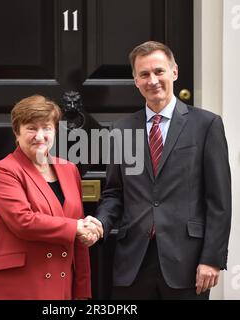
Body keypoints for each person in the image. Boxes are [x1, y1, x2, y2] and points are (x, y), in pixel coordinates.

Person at [88, 41, 231, 299]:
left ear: (174, 72)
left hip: (187, 263)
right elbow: (114, 193)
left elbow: (219, 201)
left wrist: (212, 258)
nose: (152, 80)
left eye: (159, 71)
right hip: (132, 264)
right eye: (144, 74)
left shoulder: (206, 125)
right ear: (135, 81)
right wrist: (100, 223)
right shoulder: (121, 130)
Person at [0, 94, 103, 300]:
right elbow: (23, 221)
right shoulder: (4, 170)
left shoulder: (69, 169)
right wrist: (77, 227)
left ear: (55, 130)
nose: (40, 136)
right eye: (31, 128)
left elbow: (77, 239)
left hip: (60, 285)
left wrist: (82, 290)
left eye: (47, 128)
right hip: (13, 285)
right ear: (17, 132)